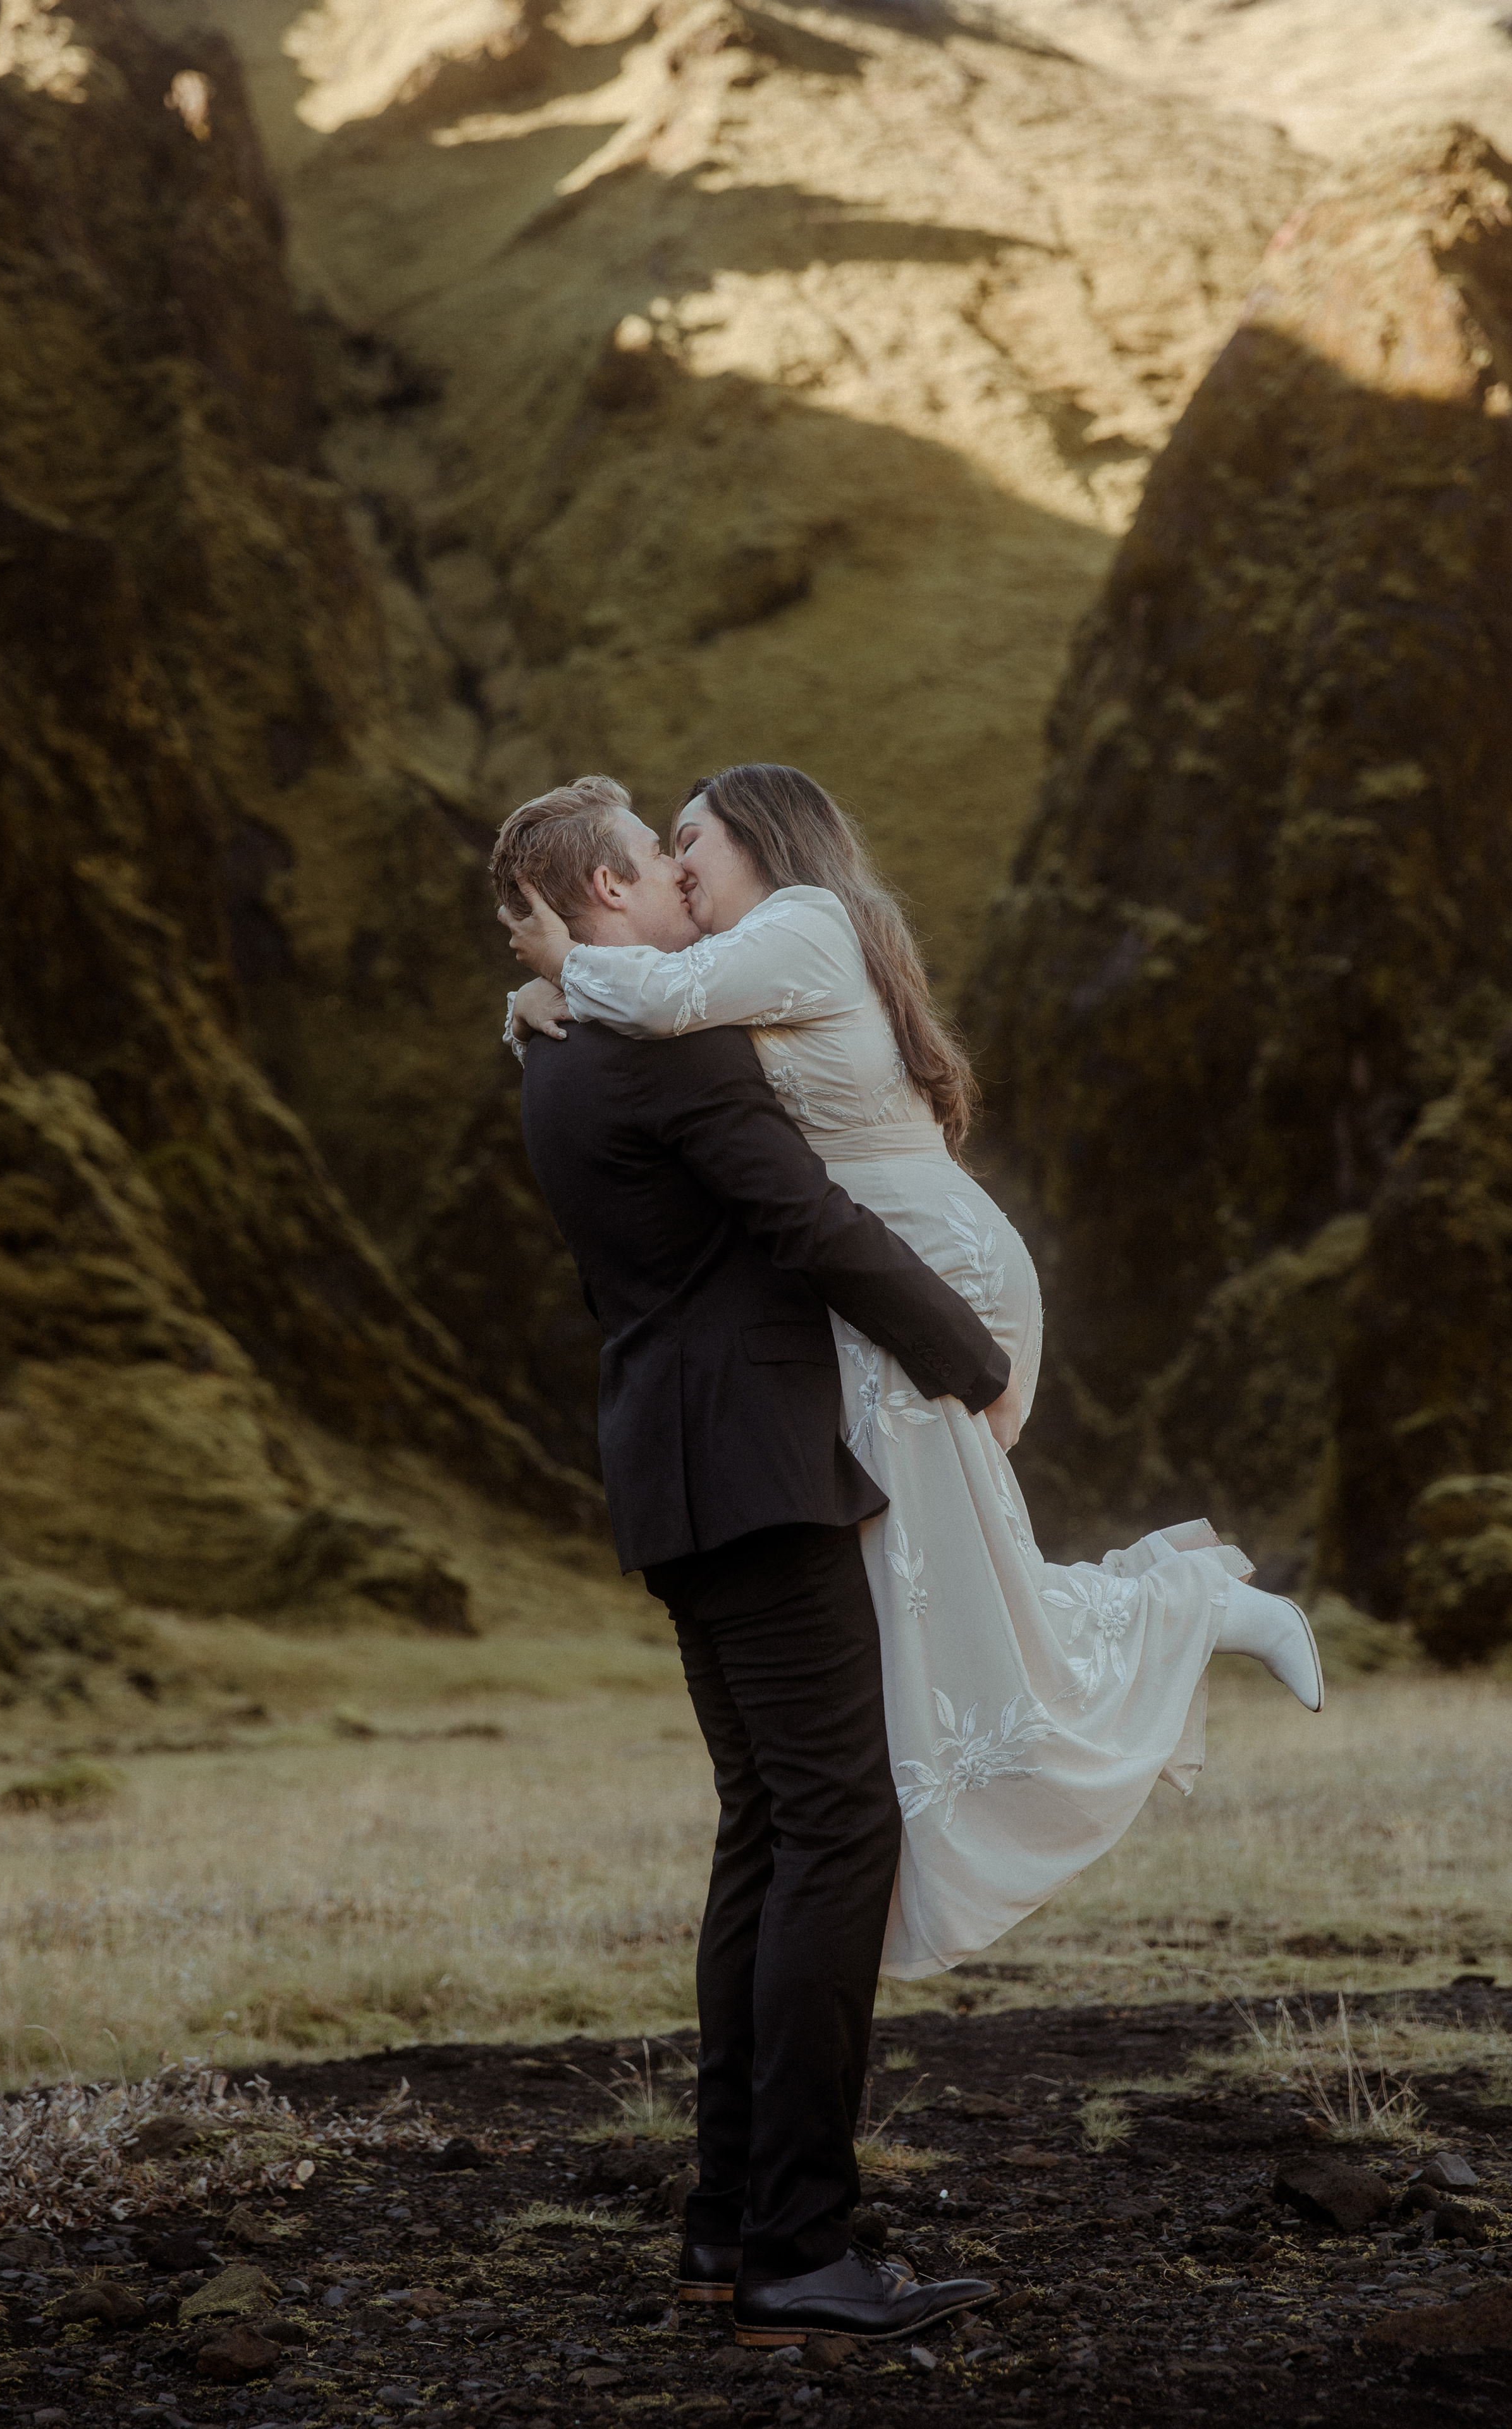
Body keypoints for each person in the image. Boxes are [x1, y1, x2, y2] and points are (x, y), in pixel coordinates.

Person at [504, 761, 1324, 1995]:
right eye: (661, 845)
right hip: (874, 1294)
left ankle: (1198, 1611)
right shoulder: (732, 964)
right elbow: (646, 1030)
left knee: (949, 1577)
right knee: (936, 1580)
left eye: (692, 839)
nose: (677, 864)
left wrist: (557, 967)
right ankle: (1182, 1618)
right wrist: (535, 1003)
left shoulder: (803, 923)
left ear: (761, 839)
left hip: (931, 1283)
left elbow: (658, 999)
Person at [489, 776, 1001, 2349]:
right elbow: (803, 1222)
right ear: (602, 892)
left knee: (769, 1834)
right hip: (763, 1474)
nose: (680, 884)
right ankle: (797, 2248)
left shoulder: (555, 1055)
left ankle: (727, 2227)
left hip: (666, 1467)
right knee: (838, 1831)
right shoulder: (663, 1046)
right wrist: (964, 1354)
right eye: (655, 862)